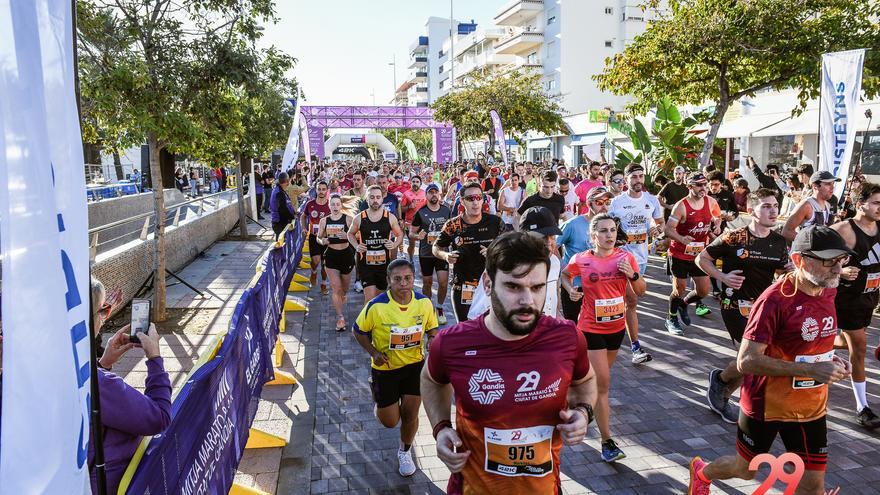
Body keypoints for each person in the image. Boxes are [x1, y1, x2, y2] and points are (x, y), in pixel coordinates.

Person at [421, 231, 597, 494]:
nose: (527, 301)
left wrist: (583, 412)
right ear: (488, 284)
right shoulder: (452, 343)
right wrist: (441, 427)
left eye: (537, 287)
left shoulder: (567, 337)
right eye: (513, 287)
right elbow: (431, 380)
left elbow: (586, 380)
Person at [689, 225, 854, 495]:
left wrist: (833, 360)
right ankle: (702, 472)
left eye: (841, 260)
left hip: (811, 406)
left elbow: (812, 339)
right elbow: (747, 362)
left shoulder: (828, 289)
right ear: (800, 260)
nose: (837, 269)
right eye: (828, 261)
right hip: (768, 404)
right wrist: (809, 368)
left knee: (813, 486)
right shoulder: (774, 301)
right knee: (746, 470)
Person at [696, 188, 790, 424]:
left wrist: (788, 275)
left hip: (763, 307)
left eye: (775, 206)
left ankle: (721, 381)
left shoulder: (778, 242)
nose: (773, 210)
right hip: (734, 304)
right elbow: (701, 259)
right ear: (751, 210)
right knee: (749, 357)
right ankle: (723, 391)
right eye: (766, 206)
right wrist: (722, 277)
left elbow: (783, 269)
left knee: (750, 359)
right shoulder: (734, 237)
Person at [561, 213, 645, 462]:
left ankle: (578, 398)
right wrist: (571, 290)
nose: (610, 235)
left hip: (616, 328)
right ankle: (607, 442)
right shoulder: (582, 260)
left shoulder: (626, 258)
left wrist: (633, 275)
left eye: (613, 230)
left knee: (596, 382)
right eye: (604, 231)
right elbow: (566, 275)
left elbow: (640, 292)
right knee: (603, 385)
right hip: (590, 329)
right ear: (593, 235)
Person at [352, 259, 439, 477]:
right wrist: (373, 353)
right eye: (397, 279)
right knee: (390, 421)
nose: (403, 283)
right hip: (386, 370)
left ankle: (404, 451)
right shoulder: (376, 306)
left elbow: (432, 328)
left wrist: (432, 339)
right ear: (389, 281)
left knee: (410, 414)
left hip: (414, 366)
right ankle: (381, 402)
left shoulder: (424, 303)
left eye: (408, 278)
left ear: (413, 279)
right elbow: (358, 331)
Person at [89, 278, 171, 494]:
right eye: (103, 311)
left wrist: (104, 363)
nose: (105, 320)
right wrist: (154, 358)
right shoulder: (97, 384)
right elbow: (159, 417)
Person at [831, 182, 880, 428]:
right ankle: (863, 407)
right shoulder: (843, 230)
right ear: (860, 203)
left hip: (870, 297)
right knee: (859, 348)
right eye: (876, 202)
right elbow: (809, 255)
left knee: (847, 340)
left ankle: (822, 340)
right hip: (845, 299)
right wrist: (840, 269)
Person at [467, 206, 563, 320]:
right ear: (524, 236)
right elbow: (476, 314)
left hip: (545, 335)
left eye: (552, 236)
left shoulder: (554, 262)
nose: (549, 243)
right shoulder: (503, 265)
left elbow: (553, 296)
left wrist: (558, 316)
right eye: (542, 237)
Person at [608, 164, 663, 362]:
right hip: (619, 258)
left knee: (629, 301)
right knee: (631, 300)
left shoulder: (651, 200)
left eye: (641, 176)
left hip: (641, 258)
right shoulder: (616, 202)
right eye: (634, 177)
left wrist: (656, 230)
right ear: (626, 180)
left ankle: (620, 338)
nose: (638, 180)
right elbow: (608, 227)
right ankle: (635, 347)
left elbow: (659, 222)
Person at [433, 182, 506, 323]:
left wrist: (494, 251)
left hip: (492, 285)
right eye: (470, 198)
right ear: (462, 201)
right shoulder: (452, 225)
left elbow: (510, 247)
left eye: (479, 197)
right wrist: (445, 256)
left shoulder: (495, 222)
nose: (475, 202)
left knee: (493, 330)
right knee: (465, 332)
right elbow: (436, 247)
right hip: (464, 287)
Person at [663, 172, 721, 335]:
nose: (704, 188)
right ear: (689, 187)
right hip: (679, 254)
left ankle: (684, 304)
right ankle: (671, 318)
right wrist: (681, 238)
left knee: (703, 290)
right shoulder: (681, 206)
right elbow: (668, 229)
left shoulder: (711, 202)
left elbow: (717, 216)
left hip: (700, 255)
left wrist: (716, 225)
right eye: (699, 185)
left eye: (705, 184)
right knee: (679, 289)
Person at [348, 185, 404, 303]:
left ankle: (378, 321)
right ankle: (367, 321)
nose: (375, 200)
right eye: (372, 197)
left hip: (384, 265)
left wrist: (394, 245)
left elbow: (400, 235)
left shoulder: (390, 217)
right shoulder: (359, 218)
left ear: (382, 199)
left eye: (378, 197)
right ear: (367, 199)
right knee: (369, 299)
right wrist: (356, 246)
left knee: (380, 299)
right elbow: (350, 234)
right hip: (366, 264)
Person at [410, 183, 453, 325]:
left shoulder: (446, 211)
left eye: (436, 192)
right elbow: (411, 232)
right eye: (431, 192)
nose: (434, 195)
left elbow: (453, 229)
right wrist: (417, 236)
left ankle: (439, 308)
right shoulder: (420, 212)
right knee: (427, 283)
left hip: (441, 252)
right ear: (426, 195)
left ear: (439, 194)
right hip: (426, 253)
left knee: (443, 282)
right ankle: (427, 309)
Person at [317, 194, 356, 332]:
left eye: (337, 204)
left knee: (344, 290)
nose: (335, 207)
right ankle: (340, 318)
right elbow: (318, 237)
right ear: (329, 205)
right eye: (332, 204)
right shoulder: (324, 221)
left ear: (341, 206)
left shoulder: (348, 219)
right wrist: (323, 241)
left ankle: (342, 297)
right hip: (331, 256)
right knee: (336, 288)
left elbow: (357, 235)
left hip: (346, 256)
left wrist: (348, 236)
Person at [782, 171, 840, 242]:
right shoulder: (806, 205)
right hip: (805, 252)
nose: (832, 187)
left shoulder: (827, 205)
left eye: (833, 183)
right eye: (828, 184)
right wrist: (809, 243)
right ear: (815, 186)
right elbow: (786, 232)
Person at [302, 180, 331, 295]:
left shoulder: (330, 205)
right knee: (316, 260)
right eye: (319, 189)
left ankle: (323, 284)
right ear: (316, 190)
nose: (321, 191)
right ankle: (313, 271)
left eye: (323, 189)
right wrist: (304, 228)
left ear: (327, 191)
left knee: (325, 264)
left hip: (327, 239)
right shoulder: (310, 204)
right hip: (314, 237)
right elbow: (303, 217)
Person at [400, 175, 427, 261]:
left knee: (424, 243)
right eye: (413, 182)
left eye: (417, 182)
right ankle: (411, 260)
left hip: (423, 222)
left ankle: (423, 259)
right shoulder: (406, 194)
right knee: (412, 244)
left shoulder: (424, 193)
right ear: (410, 183)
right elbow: (401, 209)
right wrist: (409, 207)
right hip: (410, 223)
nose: (415, 183)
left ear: (420, 183)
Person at [270, 172, 296, 241]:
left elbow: (287, 204)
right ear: (286, 182)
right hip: (280, 224)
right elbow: (282, 209)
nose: (288, 184)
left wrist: (294, 212)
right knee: (280, 246)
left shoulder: (280, 190)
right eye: (288, 182)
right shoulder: (279, 192)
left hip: (281, 222)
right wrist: (292, 217)